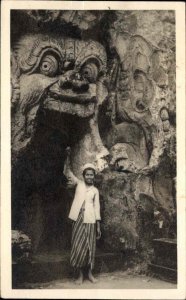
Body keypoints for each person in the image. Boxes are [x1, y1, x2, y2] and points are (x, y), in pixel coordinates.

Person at [64, 147, 101, 284]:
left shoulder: (95, 190)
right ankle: (80, 275)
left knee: (90, 246)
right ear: (83, 176)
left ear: (94, 176)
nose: (89, 177)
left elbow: (97, 207)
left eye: (92, 175)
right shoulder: (78, 184)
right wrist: (67, 156)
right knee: (78, 246)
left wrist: (98, 225)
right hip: (78, 219)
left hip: (91, 220)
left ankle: (90, 274)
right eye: (87, 175)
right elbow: (68, 172)